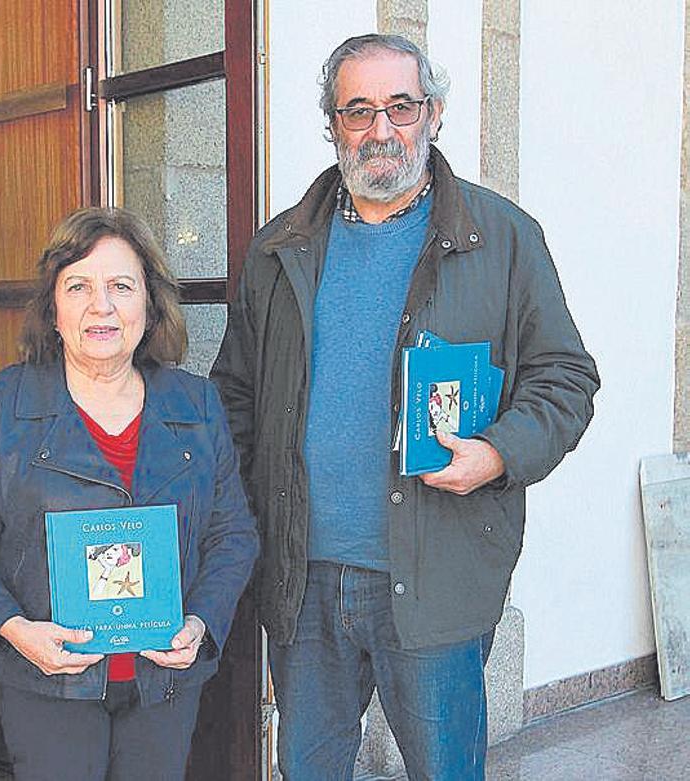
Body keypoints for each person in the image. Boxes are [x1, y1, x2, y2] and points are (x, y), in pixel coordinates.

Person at [210, 34, 600, 779]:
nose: (381, 129)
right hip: (303, 579)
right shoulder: (277, 250)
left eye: (401, 106)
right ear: (332, 124)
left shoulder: (502, 238)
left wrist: (497, 454)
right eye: (358, 110)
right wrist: (243, 530)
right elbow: (236, 399)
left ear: (435, 113)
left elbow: (565, 377)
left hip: (436, 575)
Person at [0, 207, 259, 780]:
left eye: (121, 287)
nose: (100, 306)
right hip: (49, 682)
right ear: (52, 308)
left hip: (163, 682)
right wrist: (14, 630)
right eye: (78, 286)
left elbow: (234, 535)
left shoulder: (197, 404)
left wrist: (201, 622)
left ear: (150, 305)